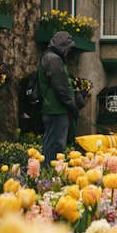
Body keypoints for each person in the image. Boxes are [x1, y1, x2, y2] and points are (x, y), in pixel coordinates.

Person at [39, 31, 84, 165]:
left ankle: (49, 173)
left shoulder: (50, 58)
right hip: (56, 109)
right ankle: (50, 174)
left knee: (53, 143)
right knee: (56, 145)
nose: (68, 52)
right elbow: (61, 87)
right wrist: (72, 107)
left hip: (54, 108)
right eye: (68, 48)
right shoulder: (53, 60)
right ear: (62, 46)